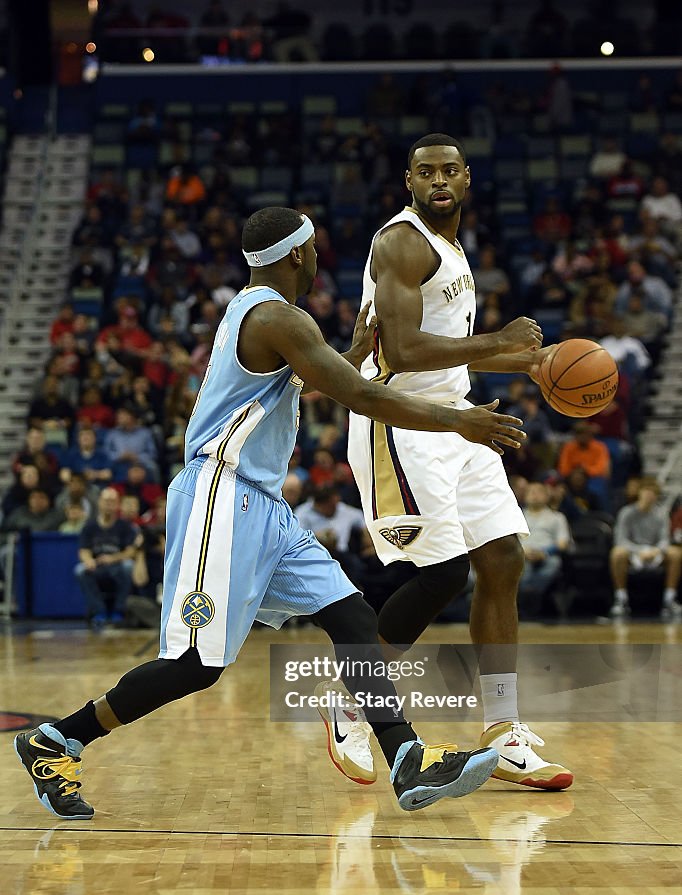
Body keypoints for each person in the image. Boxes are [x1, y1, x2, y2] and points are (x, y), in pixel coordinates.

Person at [14, 206, 530, 820]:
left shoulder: (270, 318)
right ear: (294, 256)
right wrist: (458, 419)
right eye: (313, 250)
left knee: (354, 616)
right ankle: (58, 740)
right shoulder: (276, 317)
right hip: (219, 496)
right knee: (194, 667)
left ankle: (406, 759)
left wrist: (352, 350)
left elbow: (300, 380)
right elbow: (359, 393)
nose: (319, 259)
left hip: (264, 504)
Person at [345, 134, 573, 791]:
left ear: (467, 179)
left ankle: (503, 732)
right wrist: (500, 339)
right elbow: (407, 350)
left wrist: (530, 361)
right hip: (401, 421)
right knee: (442, 576)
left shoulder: (449, 245)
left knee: (503, 559)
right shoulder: (402, 242)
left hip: (456, 418)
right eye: (426, 171)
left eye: (449, 170)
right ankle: (354, 699)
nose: (439, 180)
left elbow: (450, 350)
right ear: (409, 179)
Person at [609, 479, 682, 619]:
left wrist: (656, 551)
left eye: (653, 493)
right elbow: (621, 540)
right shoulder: (626, 512)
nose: (649, 496)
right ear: (639, 493)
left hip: (655, 553)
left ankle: (669, 599)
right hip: (632, 553)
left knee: (676, 553)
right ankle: (621, 600)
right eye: (646, 491)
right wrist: (638, 551)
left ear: (656, 496)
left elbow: (665, 540)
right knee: (617, 553)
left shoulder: (661, 514)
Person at [75, 488, 137, 628]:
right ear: (99, 502)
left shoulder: (124, 526)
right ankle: (99, 611)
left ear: (118, 504)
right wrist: (88, 560)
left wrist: (113, 558)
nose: (109, 504)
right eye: (106, 500)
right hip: (97, 567)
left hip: (117, 566)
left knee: (128, 566)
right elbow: (83, 550)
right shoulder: (89, 526)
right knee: (80, 570)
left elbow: (131, 552)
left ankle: (119, 610)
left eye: (112, 501)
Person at [519, 482, 571, 615]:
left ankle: (534, 594)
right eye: (531, 492)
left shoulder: (557, 517)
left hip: (547, 555)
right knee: (520, 567)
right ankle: (526, 600)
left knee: (554, 563)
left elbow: (563, 542)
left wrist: (545, 552)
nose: (535, 495)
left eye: (539, 492)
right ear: (525, 496)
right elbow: (510, 541)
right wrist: (523, 552)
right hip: (522, 555)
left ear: (547, 496)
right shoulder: (517, 517)